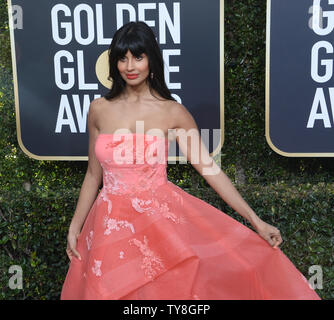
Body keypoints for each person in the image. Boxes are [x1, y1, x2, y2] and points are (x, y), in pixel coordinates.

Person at [61, 21, 320, 300]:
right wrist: (75, 226)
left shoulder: (172, 112)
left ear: (151, 59)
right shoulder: (99, 109)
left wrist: (256, 221)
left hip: (158, 227)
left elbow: (209, 169)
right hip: (109, 228)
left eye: (138, 56)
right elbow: (92, 175)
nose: (130, 66)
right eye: (122, 58)